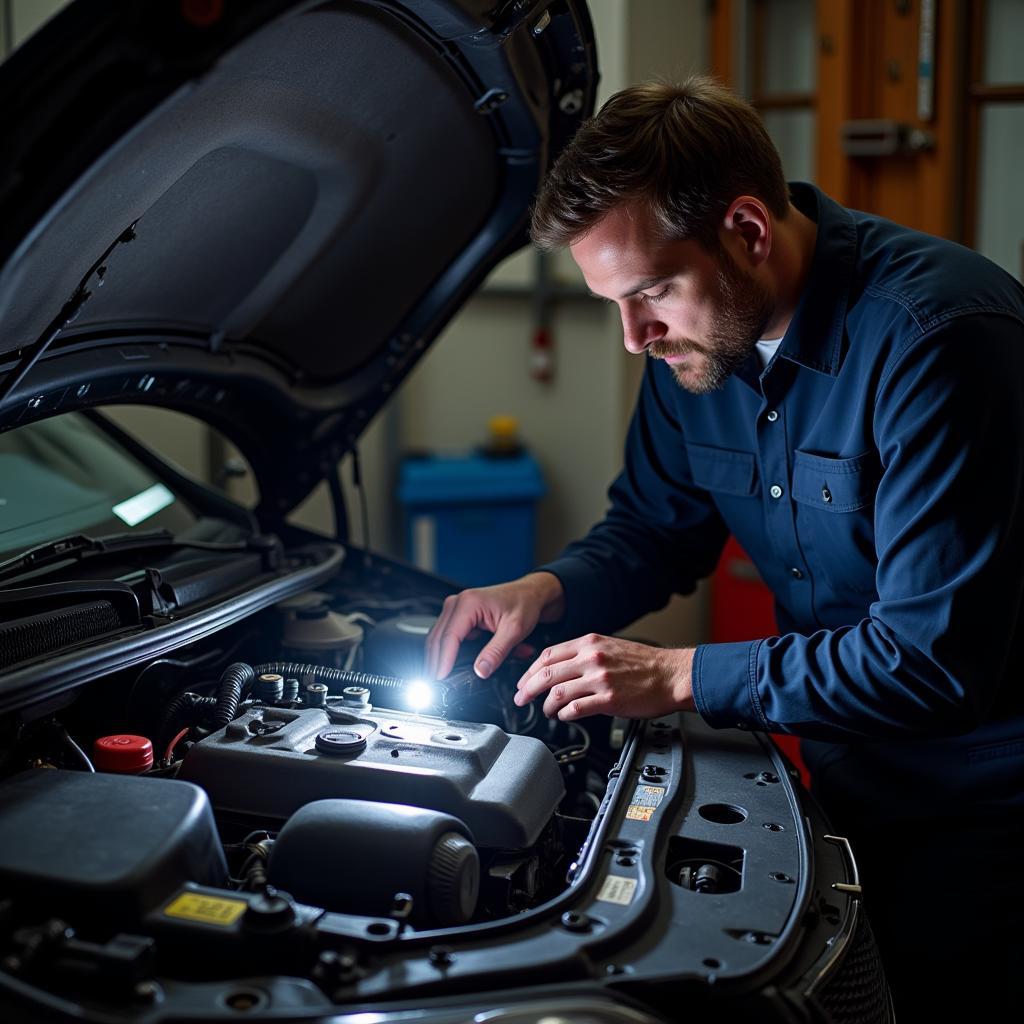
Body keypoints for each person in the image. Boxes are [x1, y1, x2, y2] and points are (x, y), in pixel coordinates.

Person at [425, 76, 1024, 1013]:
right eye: (613, 303)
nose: (634, 337)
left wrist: (679, 676)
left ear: (747, 229)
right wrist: (548, 587)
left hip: (985, 808)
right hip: (839, 777)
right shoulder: (693, 346)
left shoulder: (938, 342)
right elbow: (652, 532)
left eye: (652, 291)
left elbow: (929, 664)